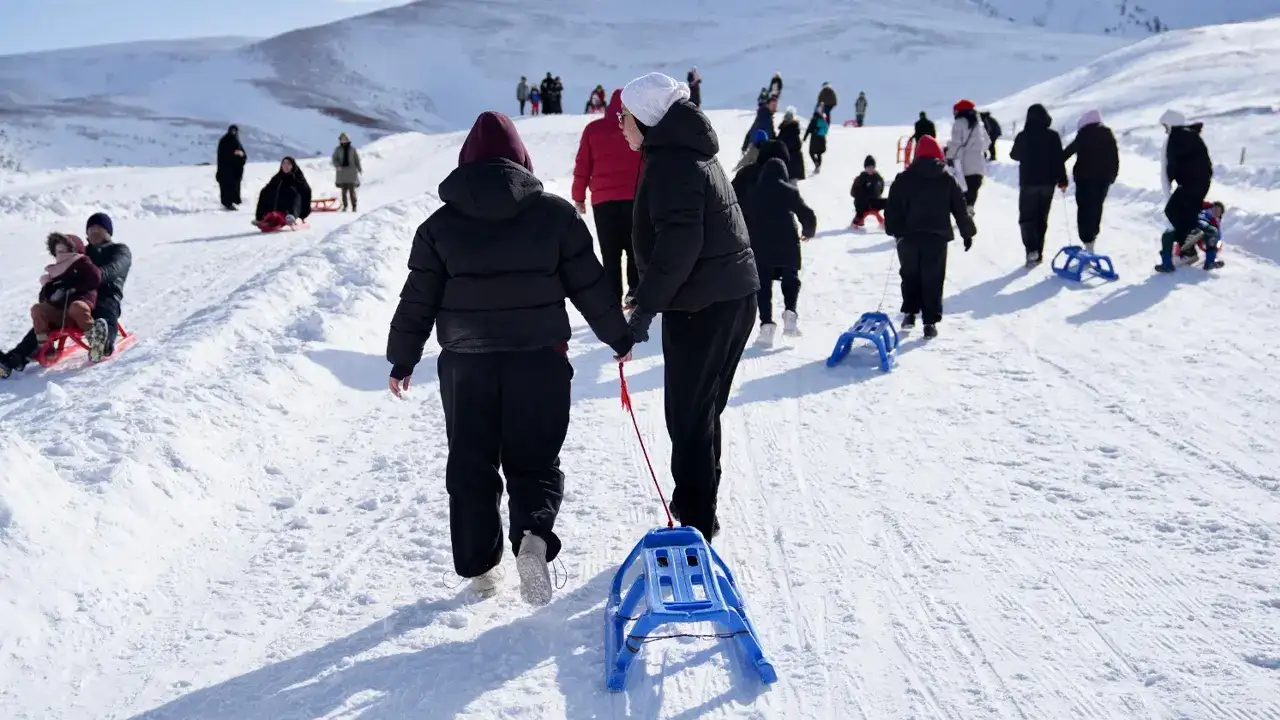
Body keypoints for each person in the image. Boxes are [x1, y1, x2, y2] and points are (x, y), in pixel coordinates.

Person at [385, 111, 632, 605]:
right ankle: (533, 538)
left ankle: (480, 569)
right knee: (534, 458)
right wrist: (617, 337)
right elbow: (590, 284)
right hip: (538, 360)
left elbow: (418, 300)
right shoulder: (557, 216)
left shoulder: (437, 229)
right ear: (522, 159)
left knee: (471, 462)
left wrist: (402, 359)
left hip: (466, 366)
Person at [619, 72, 759, 541]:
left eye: (626, 117)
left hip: (706, 307)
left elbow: (680, 246)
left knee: (688, 418)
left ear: (647, 120)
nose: (621, 125)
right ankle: (698, 506)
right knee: (700, 413)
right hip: (727, 297)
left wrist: (640, 317)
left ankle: (696, 525)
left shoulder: (672, 164)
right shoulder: (687, 153)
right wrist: (644, 291)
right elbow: (677, 243)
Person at [0, 213, 131, 377]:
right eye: (91, 229)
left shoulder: (119, 250)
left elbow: (114, 269)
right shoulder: (82, 251)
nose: (94, 232)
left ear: (108, 232)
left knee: (104, 313)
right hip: (79, 295)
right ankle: (14, 358)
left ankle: (102, 344)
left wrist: (84, 276)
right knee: (47, 319)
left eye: (99, 228)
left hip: (106, 295)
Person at [885, 135, 975, 339]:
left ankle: (909, 313)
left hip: (907, 238)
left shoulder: (904, 178)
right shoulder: (946, 179)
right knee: (933, 278)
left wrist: (894, 229)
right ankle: (930, 322)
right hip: (936, 238)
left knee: (910, 275)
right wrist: (967, 232)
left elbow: (892, 208)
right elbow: (960, 208)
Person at [572, 89, 644, 307]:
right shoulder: (638, 129)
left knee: (610, 252)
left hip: (604, 201)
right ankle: (634, 293)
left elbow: (582, 165)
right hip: (635, 199)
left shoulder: (593, 130)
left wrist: (578, 196)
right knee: (635, 248)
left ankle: (612, 298)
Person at [0, 233, 102, 381]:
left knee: (77, 307)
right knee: (38, 310)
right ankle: (27, 354)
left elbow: (95, 278)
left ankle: (96, 340)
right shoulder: (54, 272)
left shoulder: (84, 265)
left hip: (76, 313)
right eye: (58, 251)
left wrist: (72, 286)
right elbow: (43, 300)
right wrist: (51, 291)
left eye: (65, 250)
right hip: (57, 316)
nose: (61, 254)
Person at [741, 152, 816, 347]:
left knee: (763, 285)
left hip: (761, 244)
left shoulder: (753, 192)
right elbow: (807, 213)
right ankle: (790, 313)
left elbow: (742, 216)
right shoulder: (789, 191)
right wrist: (808, 229)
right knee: (790, 277)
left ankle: (766, 325)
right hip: (788, 243)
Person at [1009, 104, 1068, 266]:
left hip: (1028, 183)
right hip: (1048, 184)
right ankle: (1039, 252)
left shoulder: (1023, 136)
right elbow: (1059, 160)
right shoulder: (1053, 136)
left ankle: (1031, 251)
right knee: (1041, 218)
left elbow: (1013, 155)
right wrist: (1062, 180)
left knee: (1027, 218)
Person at [1156, 109, 1212, 273]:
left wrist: (1171, 181)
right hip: (1203, 181)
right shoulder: (1193, 134)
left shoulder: (1175, 137)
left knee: (1172, 210)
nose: (1165, 129)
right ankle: (1194, 242)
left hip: (1189, 183)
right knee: (1188, 214)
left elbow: (1170, 165)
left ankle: (1188, 250)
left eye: (1166, 125)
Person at [1063, 108, 1119, 252]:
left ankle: (1087, 240)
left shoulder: (1084, 134)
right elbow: (1114, 156)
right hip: (1103, 179)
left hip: (1084, 178)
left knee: (1084, 209)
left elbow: (1068, 152)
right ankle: (1092, 239)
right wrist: (1112, 176)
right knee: (1096, 208)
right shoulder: (1108, 134)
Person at [945, 99, 990, 215]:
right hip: (979, 164)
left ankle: (964, 214)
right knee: (973, 189)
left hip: (964, 164)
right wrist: (978, 150)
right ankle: (970, 208)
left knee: (963, 190)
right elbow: (987, 142)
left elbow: (956, 144)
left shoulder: (959, 123)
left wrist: (949, 156)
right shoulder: (979, 124)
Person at [254, 157, 312, 227]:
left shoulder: (298, 177)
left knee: (293, 192)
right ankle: (261, 217)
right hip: (279, 206)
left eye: (288, 164)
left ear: (293, 166)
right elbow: (270, 187)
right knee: (265, 191)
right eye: (283, 164)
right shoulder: (278, 177)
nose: (285, 166)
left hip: (295, 209)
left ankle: (291, 216)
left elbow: (306, 191)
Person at [215, 125, 247, 210]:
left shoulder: (237, 141)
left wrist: (241, 155)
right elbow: (222, 155)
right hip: (225, 170)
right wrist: (233, 153)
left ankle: (233, 202)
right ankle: (227, 203)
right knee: (227, 187)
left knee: (234, 187)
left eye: (235, 131)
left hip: (235, 171)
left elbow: (243, 154)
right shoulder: (224, 141)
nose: (233, 133)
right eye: (232, 131)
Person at [851, 156, 886, 228]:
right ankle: (858, 219)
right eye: (868, 167)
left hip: (875, 201)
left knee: (889, 202)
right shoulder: (860, 178)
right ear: (865, 168)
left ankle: (890, 221)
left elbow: (881, 189)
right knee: (860, 201)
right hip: (863, 203)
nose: (870, 169)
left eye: (872, 167)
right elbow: (853, 192)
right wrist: (861, 193)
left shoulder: (878, 178)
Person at [331, 133, 363, 212]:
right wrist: (337, 165)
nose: (344, 140)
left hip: (351, 172)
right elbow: (334, 159)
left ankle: (354, 206)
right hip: (342, 173)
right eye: (343, 139)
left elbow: (356, 159)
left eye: (346, 139)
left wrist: (359, 168)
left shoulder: (352, 149)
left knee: (352, 191)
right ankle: (345, 206)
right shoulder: (337, 149)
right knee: (343, 192)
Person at [776, 106, 805, 180]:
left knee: (790, 186)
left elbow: (794, 145)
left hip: (791, 163)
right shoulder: (789, 129)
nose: (787, 120)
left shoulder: (791, 130)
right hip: (791, 162)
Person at [802, 109, 829, 174]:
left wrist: (804, 138)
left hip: (815, 138)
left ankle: (816, 164)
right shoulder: (823, 120)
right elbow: (825, 131)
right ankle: (818, 166)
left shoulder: (814, 120)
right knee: (819, 153)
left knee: (811, 152)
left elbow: (808, 129)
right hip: (822, 139)